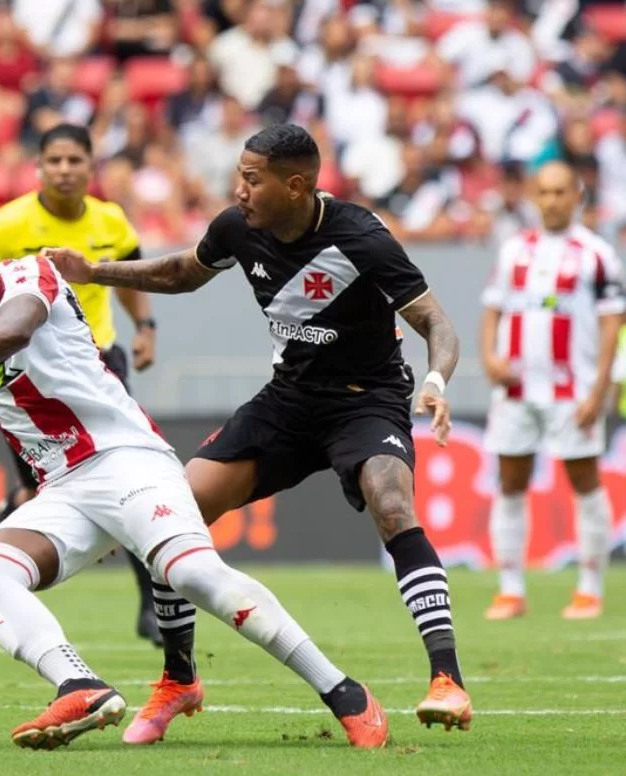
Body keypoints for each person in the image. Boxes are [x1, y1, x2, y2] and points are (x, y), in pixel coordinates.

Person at [0, 207, 390, 751]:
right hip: (67, 489)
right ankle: (80, 685)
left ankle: (343, 691)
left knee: (193, 573)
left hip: (126, 459)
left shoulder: (26, 276)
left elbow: (16, 330)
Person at [44, 123, 474, 742]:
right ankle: (179, 679)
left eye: (251, 178)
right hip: (288, 401)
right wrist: (95, 272)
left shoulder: (360, 236)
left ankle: (447, 681)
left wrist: (435, 380)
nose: (238, 189)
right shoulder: (237, 227)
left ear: (294, 185)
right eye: (239, 176)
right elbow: (182, 273)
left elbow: (435, 321)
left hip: (367, 401)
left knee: (391, 501)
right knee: (174, 511)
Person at [0, 123, 163, 646]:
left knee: (128, 480)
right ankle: (13, 522)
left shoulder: (111, 219)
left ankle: (150, 606)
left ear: (90, 167)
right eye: (54, 161)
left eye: (74, 161)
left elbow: (129, 272)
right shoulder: (6, 225)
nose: (64, 170)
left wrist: (146, 328)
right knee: (48, 489)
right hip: (31, 375)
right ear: (38, 167)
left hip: (101, 364)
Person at [480, 161, 624, 622]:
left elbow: (611, 322)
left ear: (577, 196)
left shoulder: (597, 253)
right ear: (532, 196)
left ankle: (589, 588)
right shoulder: (514, 250)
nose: (552, 200)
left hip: (572, 388)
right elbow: (493, 311)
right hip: (517, 388)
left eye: (561, 192)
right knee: (510, 482)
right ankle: (510, 589)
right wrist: (489, 357)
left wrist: (600, 387)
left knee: (583, 482)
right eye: (543, 192)